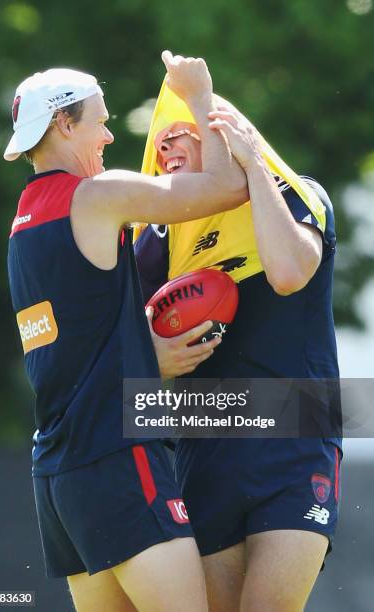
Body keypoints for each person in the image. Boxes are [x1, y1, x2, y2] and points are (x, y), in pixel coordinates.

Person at [5, 53, 250, 611]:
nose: (110, 135)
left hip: (58, 473)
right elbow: (225, 187)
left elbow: (71, 342)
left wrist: (143, 356)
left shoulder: (22, 223)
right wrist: (200, 96)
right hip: (117, 456)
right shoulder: (94, 196)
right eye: (100, 120)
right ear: (64, 125)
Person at [135, 99, 342, 611]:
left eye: (181, 132)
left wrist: (253, 165)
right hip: (206, 450)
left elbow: (289, 272)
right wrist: (152, 355)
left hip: (296, 438)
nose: (164, 144)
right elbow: (119, 347)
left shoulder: (298, 195)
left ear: (225, 133)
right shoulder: (157, 238)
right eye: (159, 139)